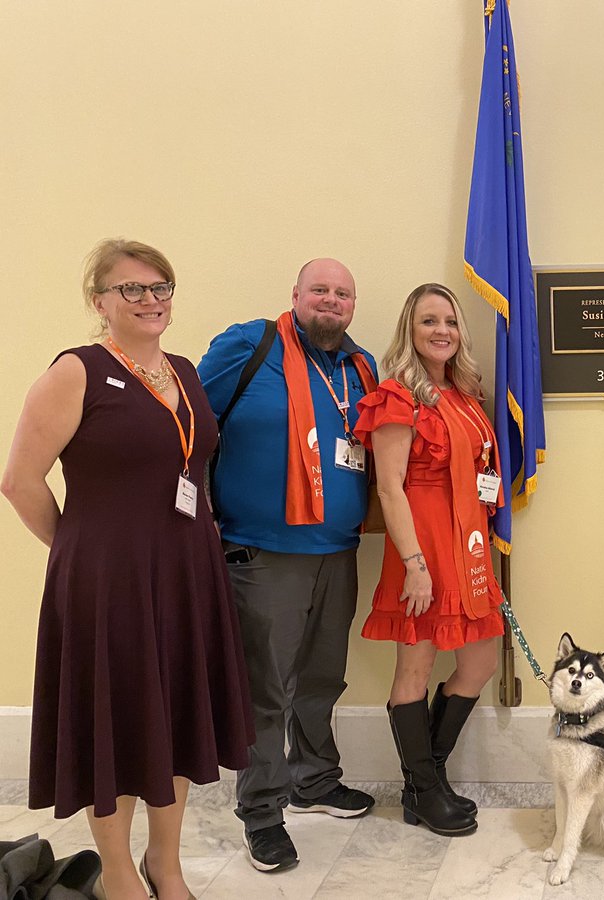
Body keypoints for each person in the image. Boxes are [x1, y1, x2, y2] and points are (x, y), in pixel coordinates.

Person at [2, 239, 254, 899]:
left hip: (184, 575)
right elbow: (20, 480)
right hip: (105, 582)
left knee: (172, 717)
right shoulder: (76, 371)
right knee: (112, 721)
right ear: (100, 302)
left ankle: (164, 866)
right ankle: (117, 872)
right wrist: (80, 549)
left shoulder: (185, 372)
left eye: (159, 287)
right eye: (131, 289)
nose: (149, 300)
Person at [197, 258, 378, 873]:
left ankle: (315, 779)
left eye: (343, 293)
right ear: (295, 295)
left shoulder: (361, 367)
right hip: (261, 554)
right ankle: (263, 811)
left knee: (324, 677)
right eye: (319, 290)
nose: (331, 300)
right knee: (265, 691)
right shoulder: (249, 344)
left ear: (354, 306)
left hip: (338, 550)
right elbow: (191, 427)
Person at [352, 283, 504, 837]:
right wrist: (415, 562)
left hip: (467, 549)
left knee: (480, 662)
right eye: (428, 321)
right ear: (409, 331)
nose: (441, 330)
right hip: (421, 549)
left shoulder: (464, 395)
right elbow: (390, 488)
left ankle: (429, 776)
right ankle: (420, 789)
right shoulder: (398, 395)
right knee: (414, 668)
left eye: (450, 321)